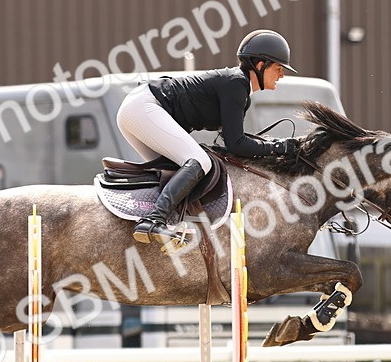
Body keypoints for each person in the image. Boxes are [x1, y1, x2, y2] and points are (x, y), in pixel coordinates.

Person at [116, 29, 301, 247]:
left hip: (137, 109)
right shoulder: (236, 83)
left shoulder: (239, 89)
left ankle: (165, 224)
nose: (282, 75)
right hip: (145, 107)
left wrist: (272, 146)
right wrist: (278, 147)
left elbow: (231, 143)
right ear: (260, 65)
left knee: (177, 171)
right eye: (278, 68)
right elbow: (237, 144)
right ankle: (153, 220)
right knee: (199, 161)